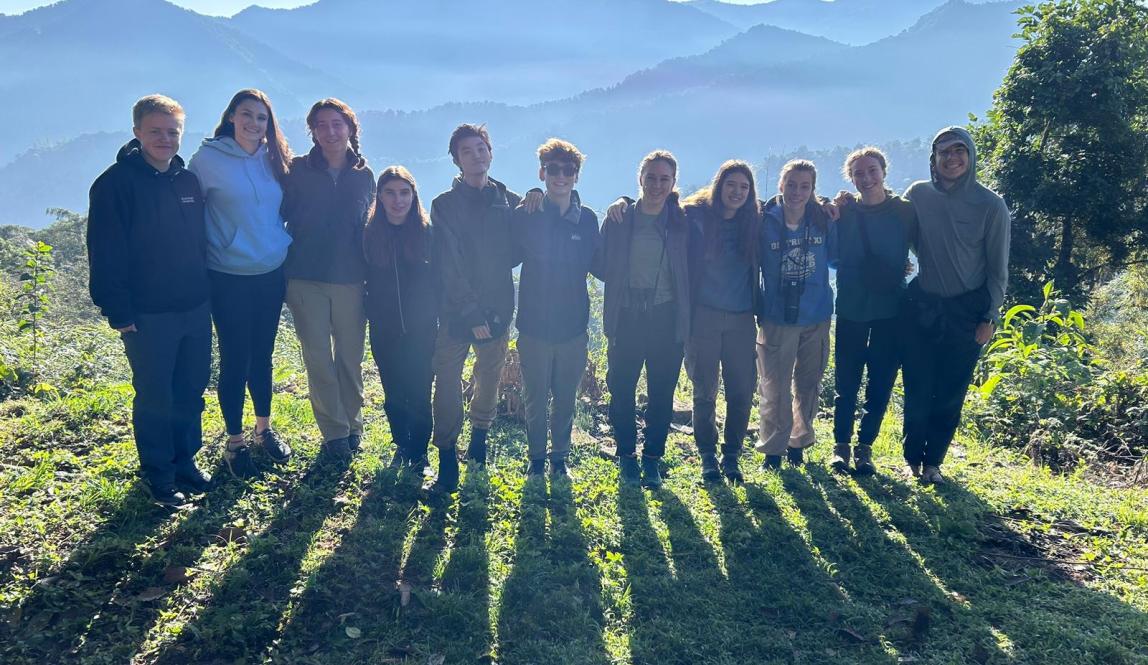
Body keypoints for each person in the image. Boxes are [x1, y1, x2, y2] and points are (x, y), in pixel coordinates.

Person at [87, 94, 212, 506]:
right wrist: (118, 310)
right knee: (156, 395)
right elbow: (105, 252)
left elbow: (199, 244)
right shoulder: (114, 184)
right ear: (137, 132)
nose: (165, 139)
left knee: (191, 389)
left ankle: (185, 462)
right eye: (155, 131)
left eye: (172, 131)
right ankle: (158, 475)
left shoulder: (187, 180)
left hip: (194, 308)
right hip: (147, 314)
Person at [188, 89, 293, 479]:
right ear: (231, 116)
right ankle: (235, 442)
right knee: (234, 360)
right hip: (227, 274)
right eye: (246, 114)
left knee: (262, 356)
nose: (254, 123)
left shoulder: (274, 158)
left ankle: (263, 428)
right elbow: (191, 217)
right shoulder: (207, 161)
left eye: (262, 117)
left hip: (269, 272)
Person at [899, 127, 1010, 484]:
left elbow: (998, 269)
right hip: (922, 307)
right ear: (933, 159)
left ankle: (934, 463)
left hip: (967, 311)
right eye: (944, 152)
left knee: (950, 390)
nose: (952, 158)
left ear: (971, 156)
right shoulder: (918, 195)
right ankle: (911, 459)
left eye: (960, 151)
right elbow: (900, 231)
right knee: (916, 385)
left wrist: (990, 317)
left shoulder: (990, 204)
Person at [281, 98, 375, 460]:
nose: (330, 131)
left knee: (350, 359)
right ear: (313, 132)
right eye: (321, 125)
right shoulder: (298, 170)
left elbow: (368, 229)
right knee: (318, 358)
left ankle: (353, 425)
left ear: (350, 128)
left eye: (337, 124)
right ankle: (334, 433)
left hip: (351, 279)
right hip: (305, 277)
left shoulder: (364, 175)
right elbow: (280, 216)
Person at [430, 124, 521, 491]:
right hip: (456, 311)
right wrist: (470, 311)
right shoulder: (444, 206)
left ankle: (480, 442)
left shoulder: (510, 202)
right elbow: (449, 263)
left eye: (481, 148)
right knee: (447, 381)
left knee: (489, 376)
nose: (476, 156)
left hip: (498, 308)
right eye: (466, 151)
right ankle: (447, 455)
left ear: (491, 152)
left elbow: (520, 249)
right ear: (456, 160)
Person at [598, 151, 691, 489]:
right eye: (651, 177)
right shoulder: (621, 218)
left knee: (661, 392)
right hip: (627, 315)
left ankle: (652, 458)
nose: (656, 185)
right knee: (620, 388)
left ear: (673, 183)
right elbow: (600, 261)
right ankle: (626, 456)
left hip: (667, 317)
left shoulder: (682, 221)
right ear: (640, 179)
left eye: (664, 179)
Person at [510, 139, 600, 481]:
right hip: (533, 326)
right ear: (542, 172)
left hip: (573, 328)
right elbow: (506, 248)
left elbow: (602, 262)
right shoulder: (527, 213)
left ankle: (559, 459)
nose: (560, 176)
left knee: (565, 399)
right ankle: (536, 460)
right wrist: (526, 196)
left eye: (567, 170)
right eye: (553, 170)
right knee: (534, 398)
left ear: (576, 176)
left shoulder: (588, 220)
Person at [828, 147, 916, 476]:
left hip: (891, 308)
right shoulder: (846, 211)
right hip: (851, 305)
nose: (866, 178)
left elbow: (920, 246)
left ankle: (865, 447)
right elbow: (833, 256)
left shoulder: (905, 211)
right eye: (859, 173)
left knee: (880, 380)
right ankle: (841, 447)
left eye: (872, 170)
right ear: (851, 179)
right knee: (846, 381)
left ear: (884, 171)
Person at [681, 160, 762, 484]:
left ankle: (732, 456)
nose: (737, 192)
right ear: (719, 185)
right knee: (705, 390)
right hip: (704, 316)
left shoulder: (754, 222)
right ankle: (707, 456)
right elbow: (660, 205)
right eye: (731, 184)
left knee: (742, 391)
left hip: (742, 318)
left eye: (744, 187)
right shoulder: (696, 217)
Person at [756, 160, 837, 469]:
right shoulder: (764, 220)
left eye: (805, 186)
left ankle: (798, 443)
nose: (797, 192)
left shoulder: (823, 218)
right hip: (777, 315)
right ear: (781, 185)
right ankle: (773, 450)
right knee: (774, 385)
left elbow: (840, 257)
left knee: (809, 383)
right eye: (791, 185)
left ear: (813, 189)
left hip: (816, 313)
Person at [363, 166, 438, 473]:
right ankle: (401, 444)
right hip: (384, 329)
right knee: (393, 392)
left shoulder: (426, 232)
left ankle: (419, 454)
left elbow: (440, 280)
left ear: (413, 195)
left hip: (422, 330)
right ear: (379, 196)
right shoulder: (369, 234)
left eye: (404, 193)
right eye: (391, 193)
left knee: (420, 391)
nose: (398, 200)